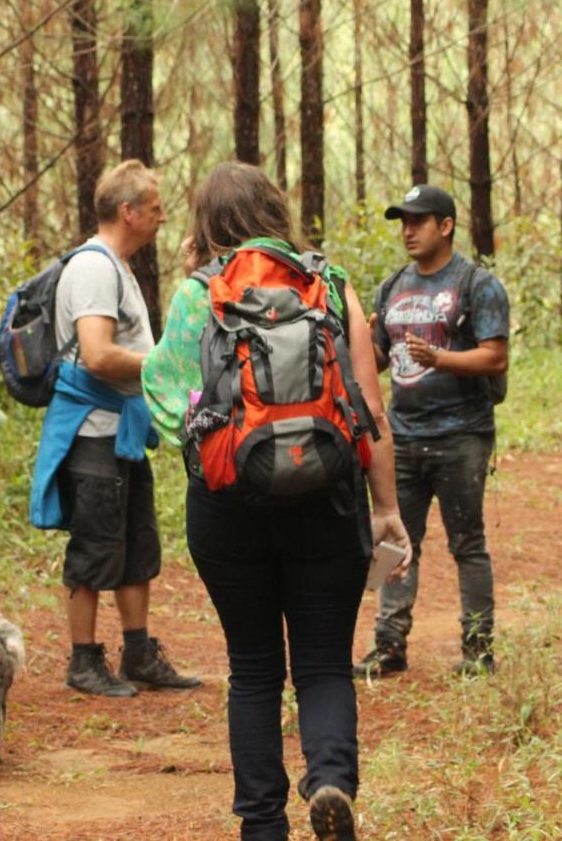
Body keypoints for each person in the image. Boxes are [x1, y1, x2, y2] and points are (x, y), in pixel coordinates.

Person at [142, 161, 409, 840]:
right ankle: (330, 781)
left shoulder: (196, 294)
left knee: (253, 668)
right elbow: (370, 406)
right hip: (328, 496)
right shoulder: (329, 282)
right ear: (275, 210)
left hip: (228, 507)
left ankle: (263, 824)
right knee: (323, 664)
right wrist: (387, 511)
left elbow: (168, 407)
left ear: (205, 221)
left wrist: (224, 438)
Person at [29, 159, 201, 698]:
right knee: (94, 546)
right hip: (93, 434)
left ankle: (139, 653)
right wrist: (161, 367)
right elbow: (99, 355)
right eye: (154, 209)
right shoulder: (94, 269)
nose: (163, 217)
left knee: (136, 544)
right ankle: (83, 662)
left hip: (121, 432)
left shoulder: (118, 266)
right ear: (127, 212)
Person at [353, 184, 510, 679]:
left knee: (467, 542)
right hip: (402, 435)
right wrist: (358, 341)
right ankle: (388, 645)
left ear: (445, 226)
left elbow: (495, 355)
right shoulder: (393, 286)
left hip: (462, 434)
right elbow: (378, 360)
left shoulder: (477, 284)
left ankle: (478, 649)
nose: (408, 230)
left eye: (419, 221)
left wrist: (439, 358)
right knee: (395, 541)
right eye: (403, 221)